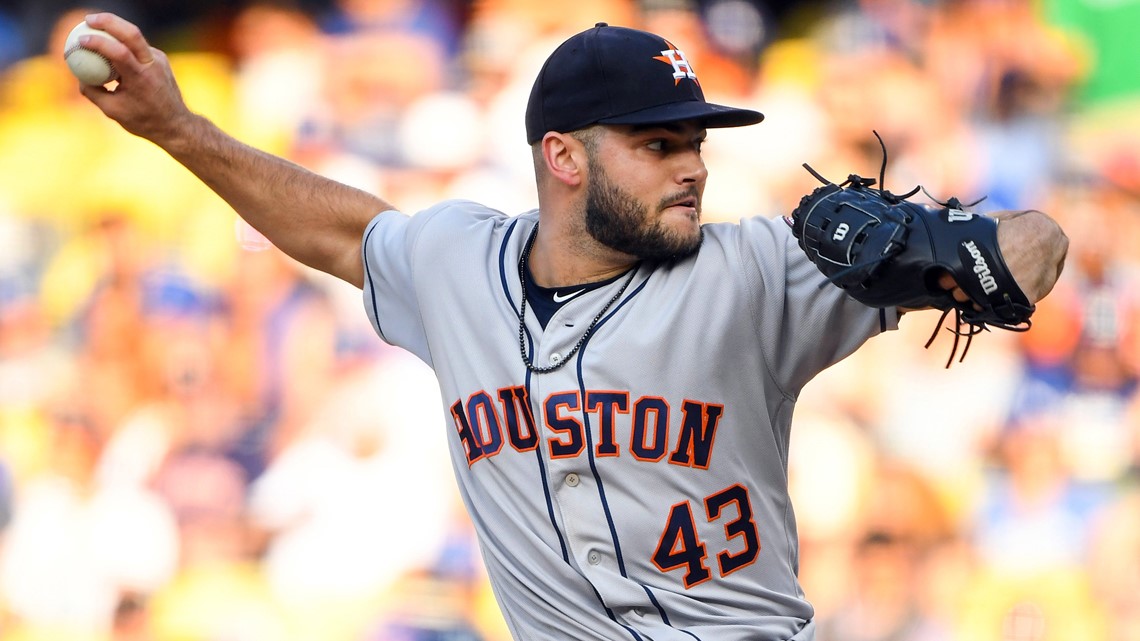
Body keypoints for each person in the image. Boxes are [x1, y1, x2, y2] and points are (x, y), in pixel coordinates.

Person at [77, 13, 1068, 641]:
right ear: (564, 156)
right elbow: (340, 231)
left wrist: (954, 246)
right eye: (657, 142)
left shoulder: (762, 268)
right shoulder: (458, 263)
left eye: (695, 141)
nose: (692, 166)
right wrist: (177, 128)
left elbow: (1037, 249)